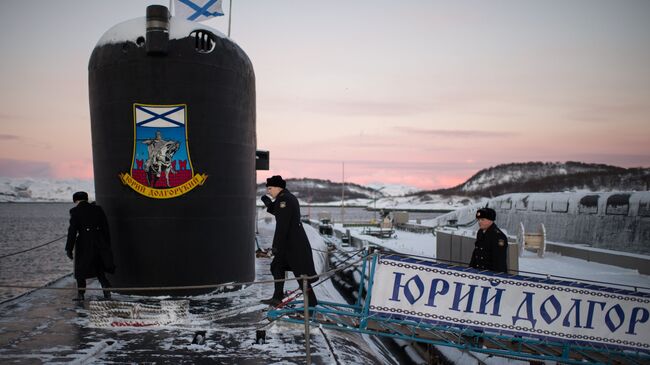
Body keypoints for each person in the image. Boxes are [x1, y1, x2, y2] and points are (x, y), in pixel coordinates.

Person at [260, 175, 318, 307]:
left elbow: (282, 225)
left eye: (270, 188)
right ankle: (277, 297)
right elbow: (279, 212)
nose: (268, 191)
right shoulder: (285, 198)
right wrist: (269, 203)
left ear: (277, 187)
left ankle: (312, 303)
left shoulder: (284, 199)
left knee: (300, 274)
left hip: (293, 245)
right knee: (277, 267)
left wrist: (275, 247)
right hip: (292, 244)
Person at [65, 191, 115, 301]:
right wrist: (106, 244)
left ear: (75, 200)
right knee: (99, 268)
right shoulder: (98, 209)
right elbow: (105, 228)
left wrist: (69, 248)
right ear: (86, 199)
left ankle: (81, 294)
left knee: (80, 270)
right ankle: (107, 292)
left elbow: (72, 231)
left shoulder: (75, 211)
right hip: (99, 242)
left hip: (84, 243)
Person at [469, 207, 508, 273]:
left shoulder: (499, 236)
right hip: (479, 273)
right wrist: (471, 269)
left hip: (491, 275)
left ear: (491, 220)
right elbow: (476, 253)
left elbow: (499, 261)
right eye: (478, 220)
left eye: (482, 219)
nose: (479, 222)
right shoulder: (480, 232)